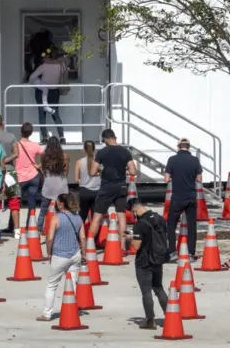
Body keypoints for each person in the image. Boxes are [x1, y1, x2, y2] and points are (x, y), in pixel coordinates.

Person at [36, 192, 87, 322]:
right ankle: (71, 309)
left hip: (59, 255)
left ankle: (47, 314)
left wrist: (49, 253)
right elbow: (82, 237)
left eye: (58, 202)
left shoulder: (56, 218)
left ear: (62, 204)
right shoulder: (78, 218)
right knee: (72, 284)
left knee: (52, 285)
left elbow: (50, 238)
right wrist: (84, 254)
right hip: (75, 254)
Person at [89, 129, 137, 255]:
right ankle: (122, 248)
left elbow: (92, 172)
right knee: (121, 216)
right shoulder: (125, 152)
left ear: (106, 139)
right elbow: (133, 171)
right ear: (114, 137)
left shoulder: (102, 152)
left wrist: (101, 171)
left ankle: (90, 245)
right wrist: (123, 171)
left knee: (97, 216)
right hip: (121, 187)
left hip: (106, 187)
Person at [129, 199, 169, 330]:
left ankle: (150, 320)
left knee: (146, 291)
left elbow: (136, 245)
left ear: (135, 211)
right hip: (158, 258)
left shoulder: (139, 225)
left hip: (144, 261)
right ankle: (170, 315)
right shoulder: (160, 219)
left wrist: (130, 238)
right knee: (158, 288)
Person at [164, 138, 203, 262]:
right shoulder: (195, 160)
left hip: (177, 198)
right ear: (189, 147)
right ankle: (191, 253)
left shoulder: (172, 160)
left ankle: (172, 252)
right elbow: (199, 179)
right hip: (191, 198)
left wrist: (173, 178)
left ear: (178, 147)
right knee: (192, 226)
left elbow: (166, 179)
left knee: (171, 224)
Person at [28, 45, 67, 145]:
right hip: (54, 91)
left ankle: (45, 137)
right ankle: (62, 137)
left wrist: (34, 84)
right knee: (56, 114)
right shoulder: (61, 65)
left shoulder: (43, 66)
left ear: (47, 57)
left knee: (42, 114)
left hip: (41, 92)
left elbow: (32, 77)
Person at [0, 115, 21, 238]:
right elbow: (16, 154)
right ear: (2, 123)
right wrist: (6, 160)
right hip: (11, 172)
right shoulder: (11, 137)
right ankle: (17, 230)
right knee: (14, 200)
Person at [16, 122, 44, 235]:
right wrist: (39, 165)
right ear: (31, 133)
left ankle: (14, 226)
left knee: (15, 202)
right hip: (33, 175)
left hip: (19, 177)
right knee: (31, 202)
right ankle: (30, 225)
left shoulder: (16, 144)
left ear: (21, 131)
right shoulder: (35, 145)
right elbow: (46, 154)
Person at [37, 136, 70, 234]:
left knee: (43, 211)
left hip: (48, 185)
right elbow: (66, 173)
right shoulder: (64, 156)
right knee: (63, 210)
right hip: (61, 185)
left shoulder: (44, 156)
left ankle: (38, 232)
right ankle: (64, 230)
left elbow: (43, 170)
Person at [74, 140, 101, 223]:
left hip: (84, 191)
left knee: (82, 215)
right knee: (95, 217)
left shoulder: (79, 162)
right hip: (97, 192)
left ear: (84, 149)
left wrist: (83, 182)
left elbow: (76, 180)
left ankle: (80, 235)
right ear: (94, 149)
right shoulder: (99, 161)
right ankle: (93, 235)